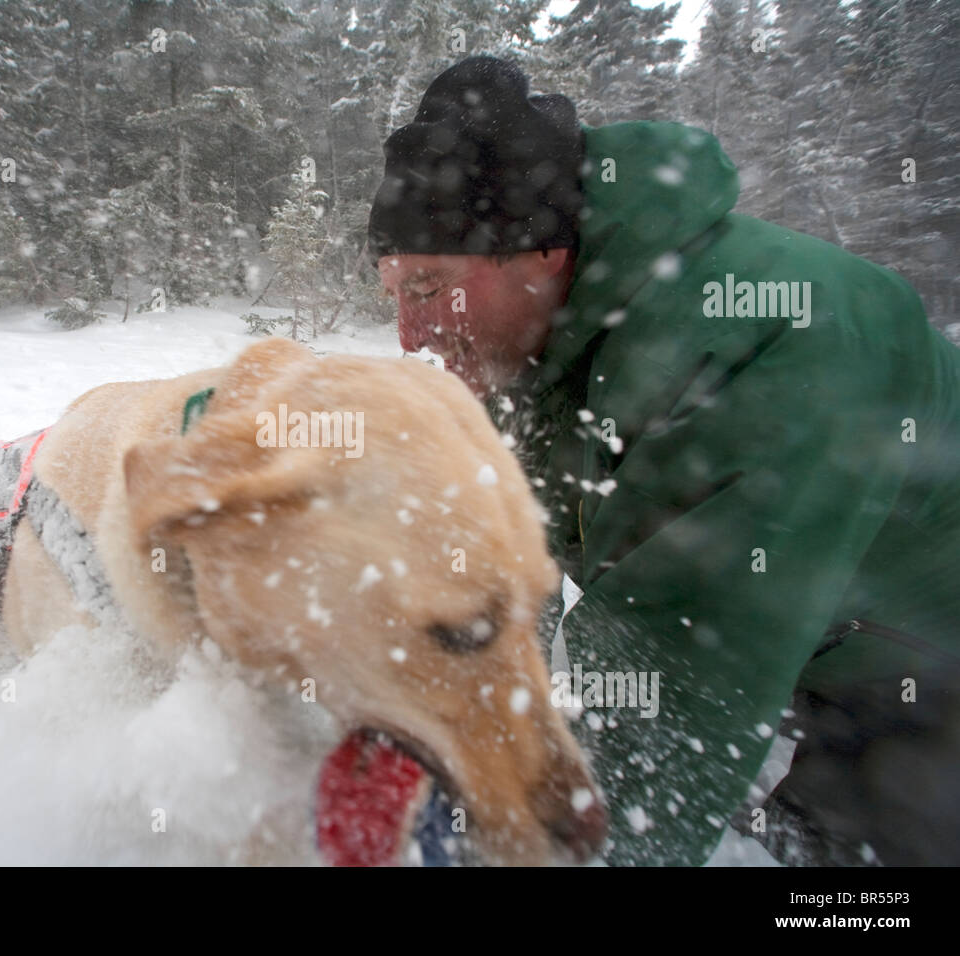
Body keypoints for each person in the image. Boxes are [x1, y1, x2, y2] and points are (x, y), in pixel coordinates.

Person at [367, 55, 960, 866]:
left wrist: (520, 837)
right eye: (392, 294)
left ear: (540, 254)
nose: (408, 335)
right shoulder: (541, 350)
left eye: (430, 291)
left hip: (924, 657)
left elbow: (668, 685)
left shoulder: (764, 347)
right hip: (818, 634)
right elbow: (504, 560)